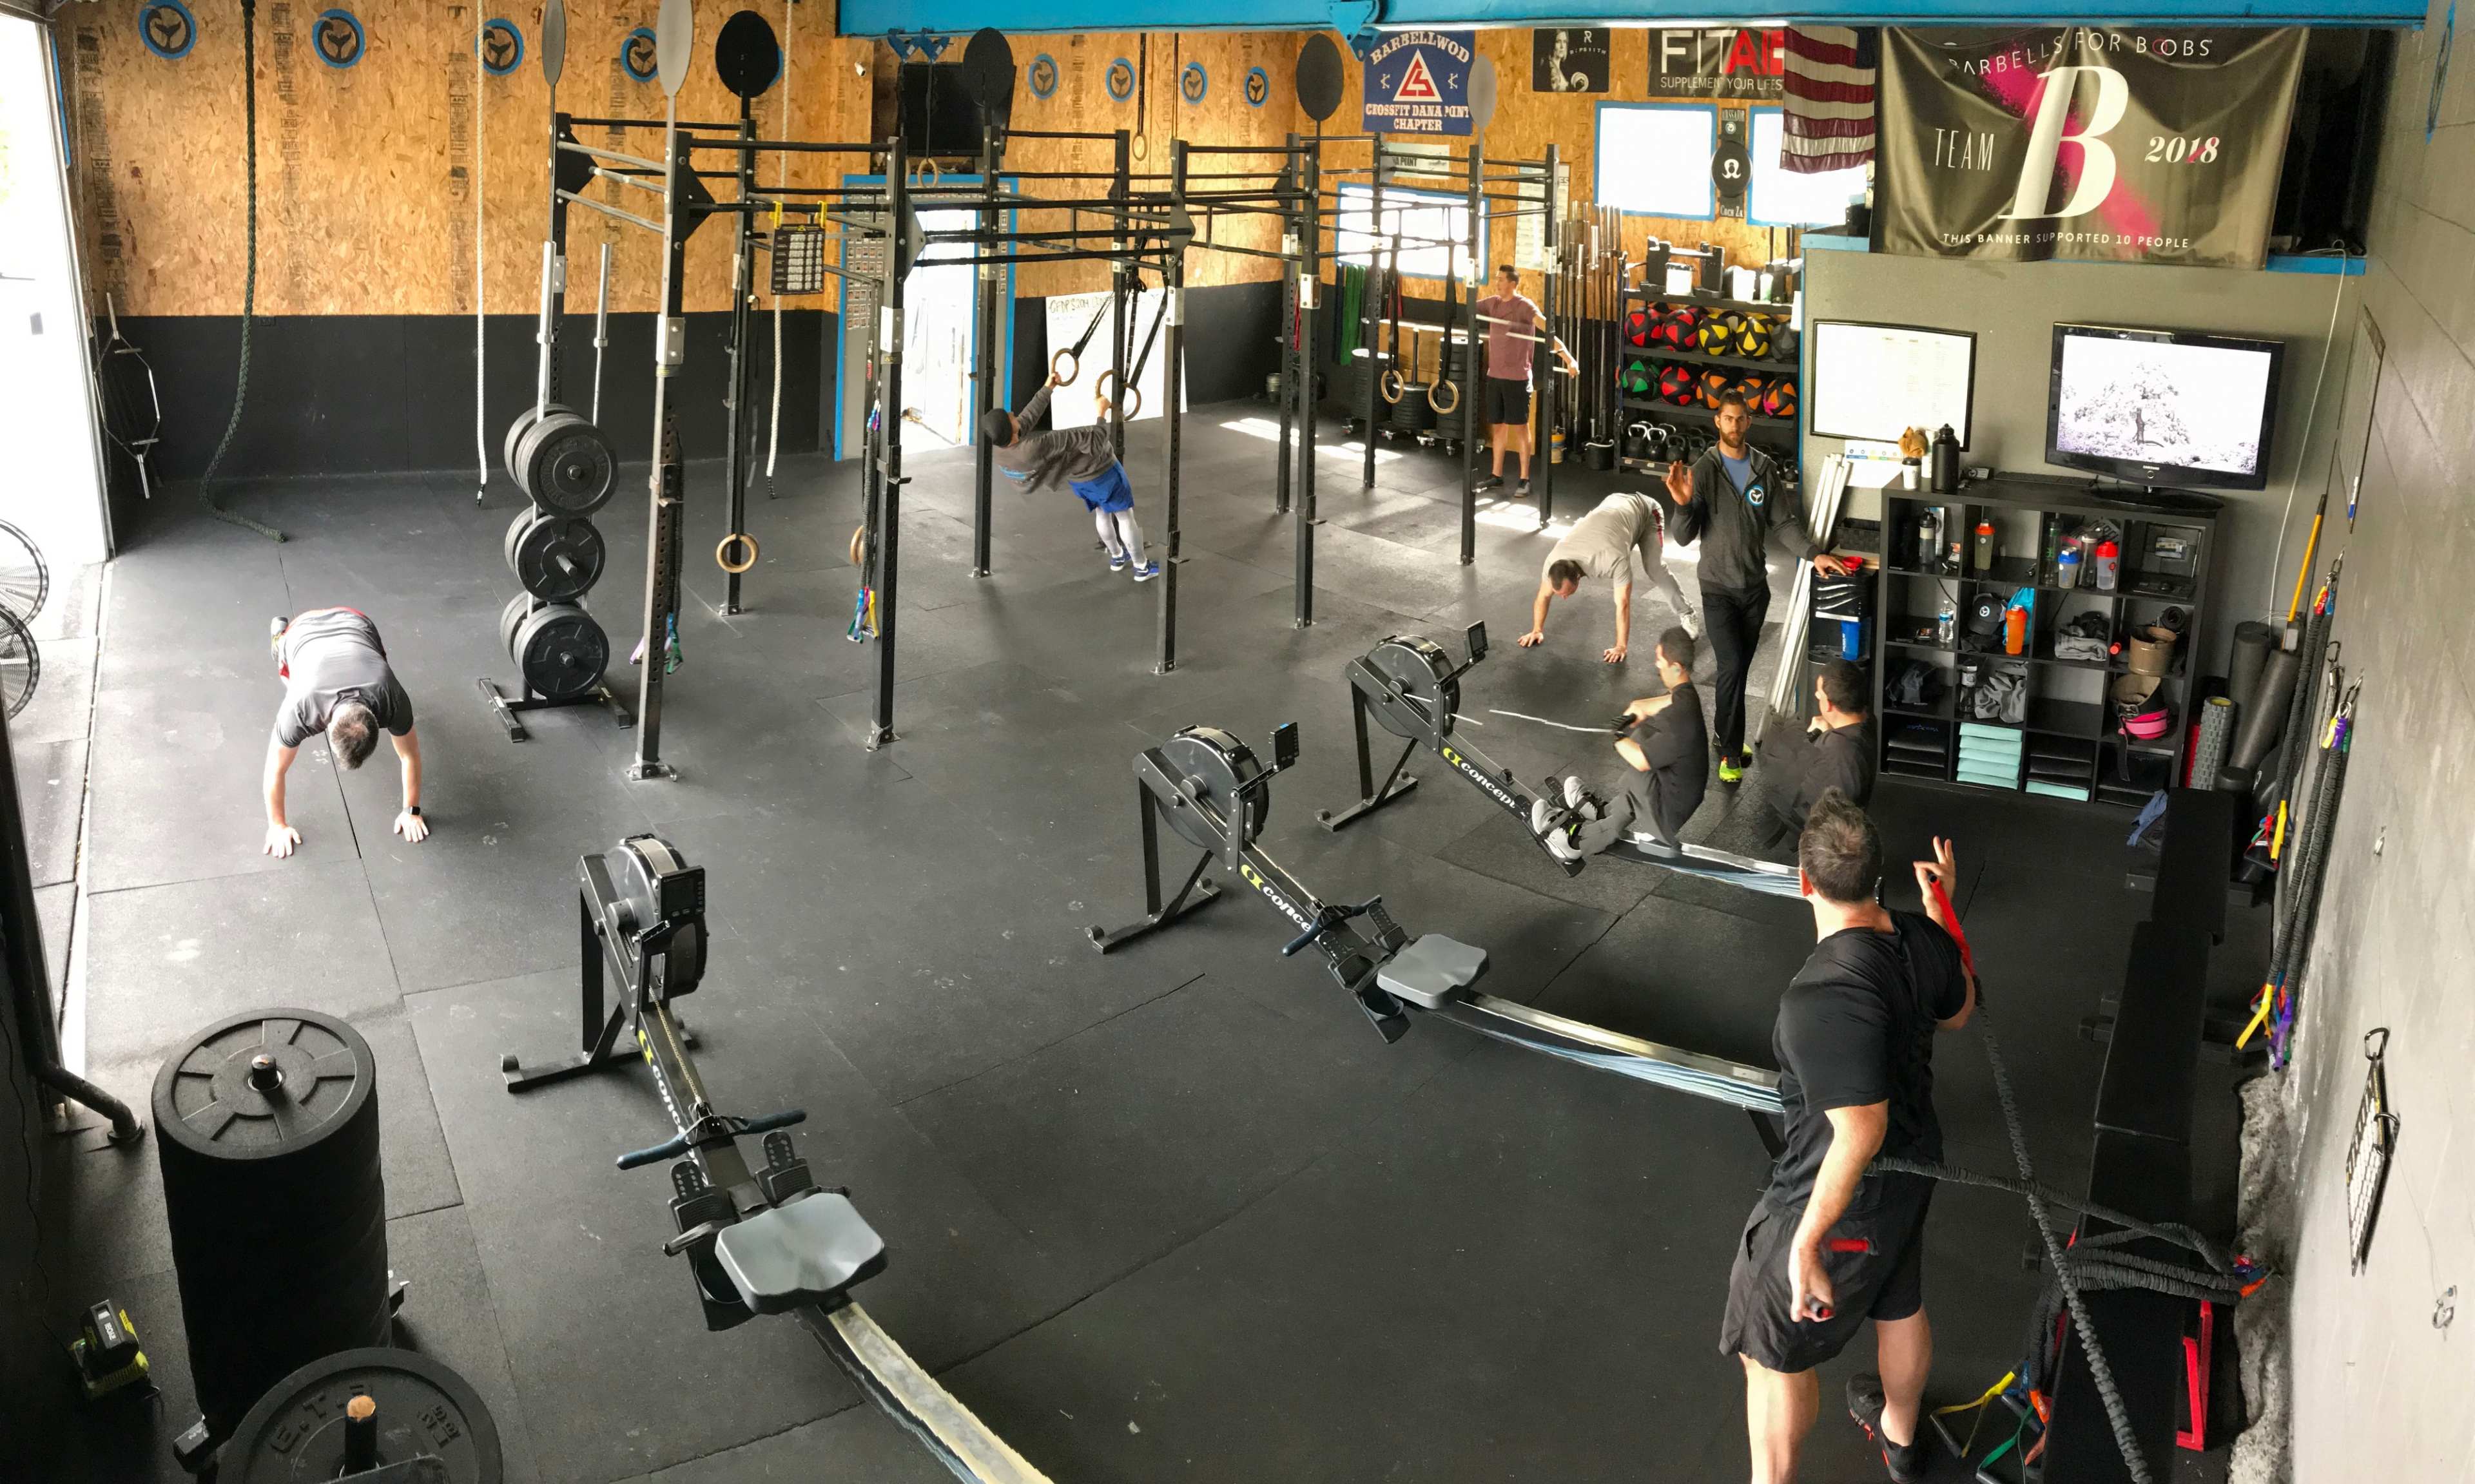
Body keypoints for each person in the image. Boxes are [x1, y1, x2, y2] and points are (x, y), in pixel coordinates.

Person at [1720, 794, 1976, 1484]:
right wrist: (1943, 910)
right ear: (1876, 874)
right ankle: (1899, 1439)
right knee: (1899, 1299)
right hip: (1915, 1162)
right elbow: (1958, 1010)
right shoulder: (1924, 939)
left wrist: (1805, 1240)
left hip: (1836, 1190)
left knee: (1769, 1352)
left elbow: (1860, 1129)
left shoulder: (1821, 994)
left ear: (1804, 881)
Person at [1664, 391, 1848, 784]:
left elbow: (1783, 524)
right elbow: (1683, 537)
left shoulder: (1764, 469)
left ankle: (1722, 734)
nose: (1733, 425)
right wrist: (1682, 504)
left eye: (1740, 419)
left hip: (1754, 590)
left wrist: (1814, 555)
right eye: (1727, 419)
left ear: (1749, 422)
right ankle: (1731, 753)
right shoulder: (1705, 470)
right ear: (1718, 421)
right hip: (1717, 589)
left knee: (1739, 671)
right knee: (1730, 666)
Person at [1529, 626, 1707, 861]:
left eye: (1660, 661)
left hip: (1669, 812)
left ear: (1676, 667)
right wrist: (1636, 709)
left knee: (1639, 765)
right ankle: (1603, 813)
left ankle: (1575, 842)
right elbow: (1657, 704)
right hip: (1678, 794)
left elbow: (1641, 761)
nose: (1656, 665)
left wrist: (1618, 738)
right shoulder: (1685, 695)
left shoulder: (1679, 721)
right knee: (1642, 740)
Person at [264, 608, 427, 858]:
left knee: (378, 660)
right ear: (326, 729)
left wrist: (412, 811)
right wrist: (277, 826)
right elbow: (274, 769)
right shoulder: (301, 707)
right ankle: (278, 638)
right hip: (301, 630)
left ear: (378, 720)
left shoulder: (392, 698)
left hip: (357, 622)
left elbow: (410, 755)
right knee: (288, 674)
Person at [985, 372, 1158, 581]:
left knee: (1102, 513)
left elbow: (1026, 419)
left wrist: (1048, 388)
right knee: (1124, 516)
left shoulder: (1002, 447)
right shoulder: (1037, 446)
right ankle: (1142, 567)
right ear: (1010, 430)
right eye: (1009, 416)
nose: (1013, 413)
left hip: (1079, 480)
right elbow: (1097, 439)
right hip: (1102, 472)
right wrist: (1102, 412)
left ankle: (1117, 557)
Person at [1517, 490, 1698, 664]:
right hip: (1614, 506)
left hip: (1645, 511)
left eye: (1565, 593)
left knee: (1654, 568)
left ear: (1578, 578)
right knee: (1623, 540)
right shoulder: (1553, 561)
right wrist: (1536, 630)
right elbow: (1543, 596)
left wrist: (1621, 646)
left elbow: (1623, 604)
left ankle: (1687, 613)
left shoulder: (1611, 559)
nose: (1563, 597)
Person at [1472, 264, 1577, 499]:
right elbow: (1470, 307)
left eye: (1501, 280)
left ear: (1512, 283)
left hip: (1517, 379)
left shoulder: (1524, 306)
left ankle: (1524, 479)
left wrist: (1569, 358)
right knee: (1498, 427)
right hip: (1495, 376)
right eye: (1497, 278)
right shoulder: (1493, 303)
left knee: (1520, 429)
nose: (1497, 283)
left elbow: (1547, 330)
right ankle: (1496, 475)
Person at [1755, 660, 1878, 845]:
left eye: (1819, 695)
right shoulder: (1867, 719)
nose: (1816, 695)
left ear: (1828, 705)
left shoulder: (1838, 751)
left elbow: (1793, 788)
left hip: (1824, 841)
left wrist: (1812, 736)